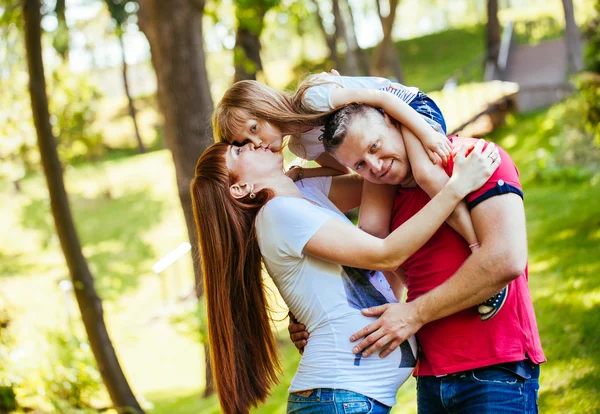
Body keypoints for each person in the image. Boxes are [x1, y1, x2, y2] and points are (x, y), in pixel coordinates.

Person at [190, 139, 500, 413]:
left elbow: (379, 179)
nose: (254, 143)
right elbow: (387, 253)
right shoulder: (278, 213)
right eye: (239, 150)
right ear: (241, 188)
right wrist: (456, 186)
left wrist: (310, 136)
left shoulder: (307, 197)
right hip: (338, 397)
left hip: (348, 398)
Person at [290, 103, 545, 413]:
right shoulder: (385, 200)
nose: (376, 166)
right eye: (360, 165)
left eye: (375, 146)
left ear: (391, 121)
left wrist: (414, 314)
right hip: (430, 377)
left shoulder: (474, 160)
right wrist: (312, 321)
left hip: (496, 370)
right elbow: (376, 281)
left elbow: (506, 259)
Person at [213, 74, 507, 319]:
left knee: (426, 175)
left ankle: (477, 249)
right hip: (376, 136)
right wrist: (300, 174)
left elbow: (381, 100)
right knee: (371, 229)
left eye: (254, 129)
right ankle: (411, 299)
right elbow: (350, 176)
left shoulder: (311, 100)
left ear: (265, 107)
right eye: (245, 143)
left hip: (405, 111)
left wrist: (425, 132)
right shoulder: (303, 147)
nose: (258, 143)